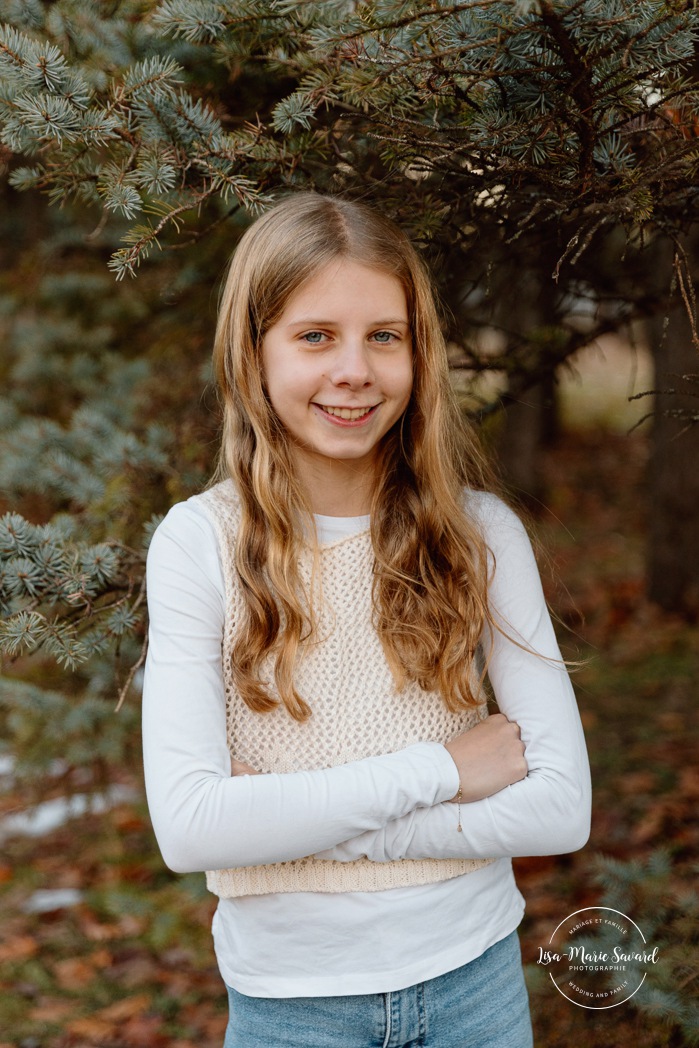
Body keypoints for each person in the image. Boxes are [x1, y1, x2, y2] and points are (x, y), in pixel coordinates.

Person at [142, 192, 591, 1048]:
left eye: (384, 336)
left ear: (418, 354)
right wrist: (443, 768)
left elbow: (560, 810)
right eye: (315, 336)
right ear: (253, 353)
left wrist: (283, 824)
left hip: (475, 985)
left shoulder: (480, 532)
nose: (354, 369)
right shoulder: (199, 544)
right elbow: (192, 829)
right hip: (291, 1008)